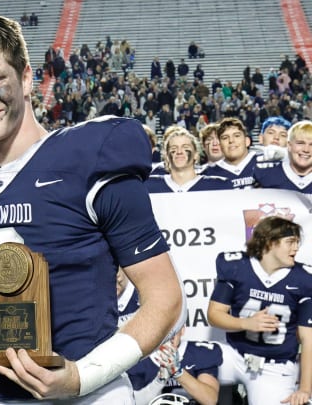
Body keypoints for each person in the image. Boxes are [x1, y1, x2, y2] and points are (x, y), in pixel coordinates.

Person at [0, 15, 183, 403]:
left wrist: (82, 376)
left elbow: (165, 298)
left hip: (92, 392)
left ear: (27, 78)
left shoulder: (90, 155)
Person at [207, 216, 312, 405]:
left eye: (297, 242)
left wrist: (305, 389)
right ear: (270, 243)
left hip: (273, 367)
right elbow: (214, 314)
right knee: (181, 359)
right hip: (234, 353)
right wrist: (245, 323)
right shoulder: (237, 266)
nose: (296, 248)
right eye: (290, 242)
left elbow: (308, 338)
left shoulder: (303, 279)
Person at [130, 327, 222, 405]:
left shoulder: (200, 352)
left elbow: (210, 400)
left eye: (173, 327)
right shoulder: (138, 358)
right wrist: (159, 382)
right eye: (164, 328)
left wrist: (178, 373)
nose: (169, 334)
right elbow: (134, 402)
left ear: (182, 329)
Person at [146, 127, 231, 193]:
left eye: (185, 147)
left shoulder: (219, 186)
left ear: (196, 155)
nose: (179, 152)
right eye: (174, 148)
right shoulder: (148, 186)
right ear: (167, 156)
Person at [255, 120, 312, 194]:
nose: (306, 149)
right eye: (300, 143)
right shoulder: (262, 175)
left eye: (311, 144)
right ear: (289, 145)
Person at [201, 117, 258, 189]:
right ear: (220, 145)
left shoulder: (264, 164)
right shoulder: (207, 174)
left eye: (237, 136)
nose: (231, 140)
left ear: (247, 141)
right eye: (225, 137)